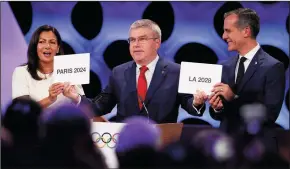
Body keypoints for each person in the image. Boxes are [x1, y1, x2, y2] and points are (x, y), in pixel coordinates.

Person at [65, 19, 207, 123]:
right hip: (127, 147)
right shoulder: (118, 72)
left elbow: (191, 106)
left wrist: (197, 102)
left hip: (161, 146)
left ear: (157, 43)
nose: (136, 45)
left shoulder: (175, 71)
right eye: (132, 40)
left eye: (142, 39)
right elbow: (99, 107)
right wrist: (76, 97)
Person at [208, 8, 285, 135]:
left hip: (256, 148)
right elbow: (219, 116)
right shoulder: (225, 66)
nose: (223, 36)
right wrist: (218, 108)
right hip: (227, 146)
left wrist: (234, 98)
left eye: (228, 31)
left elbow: (270, 115)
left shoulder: (273, 67)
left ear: (246, 31)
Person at [12, 25, 85, 109]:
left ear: (58, 48)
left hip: (64, 121)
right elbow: (23, 110)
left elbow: (85, 107)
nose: (47, 46)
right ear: (35, 46)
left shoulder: (70, 69)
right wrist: (50, 99)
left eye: (52, 42)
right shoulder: (21, 72)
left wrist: (74, 98)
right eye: (42, 42)